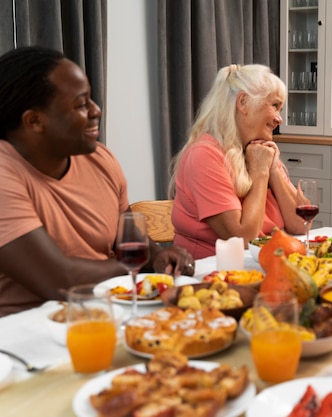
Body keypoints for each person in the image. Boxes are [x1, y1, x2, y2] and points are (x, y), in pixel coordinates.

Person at [0, 46, 194, 317]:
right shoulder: (5, 173)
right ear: (34, 120)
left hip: (102, 315)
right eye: (81, 104)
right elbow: (60, 281)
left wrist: (158, 254)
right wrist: (140, 262)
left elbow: (131, 241)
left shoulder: (100, 159)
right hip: (25, 337)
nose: (96, 110)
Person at [169, 64, 306, 259]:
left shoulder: (259, 151)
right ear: (243, 102)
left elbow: (301, 224)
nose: (279, 119)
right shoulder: (204, 155)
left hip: (263, 265)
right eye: (274, 106)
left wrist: (273, 169)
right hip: (213, 276)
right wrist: (260, 174)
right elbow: (242, 239)